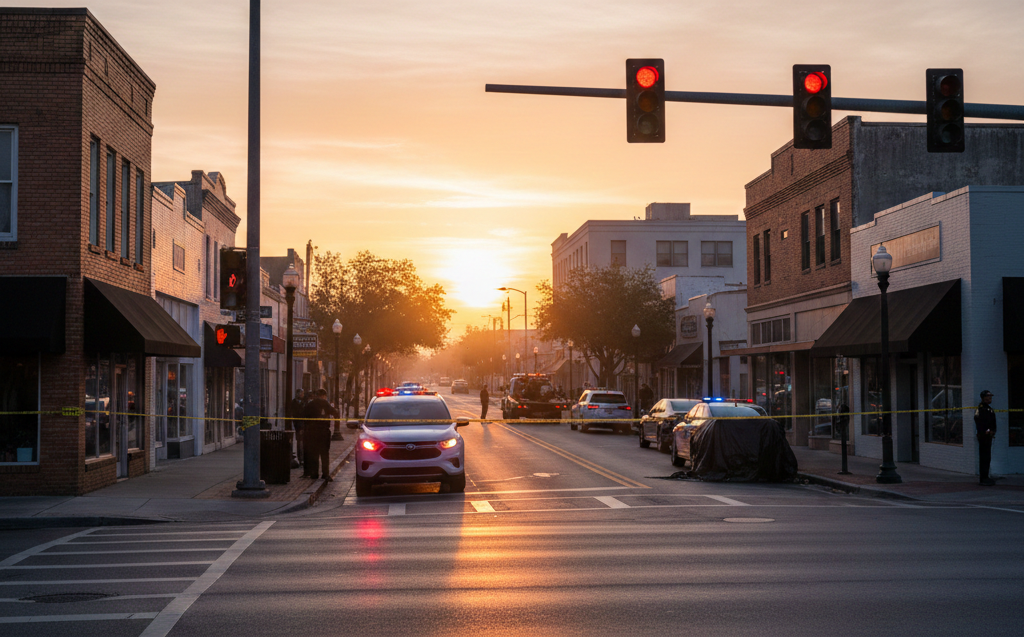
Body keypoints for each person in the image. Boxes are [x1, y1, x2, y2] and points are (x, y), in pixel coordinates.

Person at [303, 388, 339, 480]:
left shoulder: (310, 404)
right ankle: (325, 473)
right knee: (324, 454)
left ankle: (314, 473)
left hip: (312, 432)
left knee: (314, 453)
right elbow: (336, 413)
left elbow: (303, 416)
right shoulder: (325, 403)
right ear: (324, 396)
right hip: (323, 432)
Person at [974, 390, 997, 486]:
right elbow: (979, 421)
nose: (989, 399)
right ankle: (983, 478)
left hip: (988, 436)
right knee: (984, 457)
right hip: (984, 436)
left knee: (987, 457)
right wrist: (987, 431)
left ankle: (986, 476)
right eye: (988, 397)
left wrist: (993, 430)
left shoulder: (988, 409)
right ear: (983, 398)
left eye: (990, 397)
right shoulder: (982, 409)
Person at [289, 389, 306, 464]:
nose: (303, 395)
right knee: (300, 442)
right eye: (302, 393)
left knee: (302, 442)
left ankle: (302, 458)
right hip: (297, 424)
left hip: (303, 424)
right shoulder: (294, 402)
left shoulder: (304, 402)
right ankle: (300, 458)